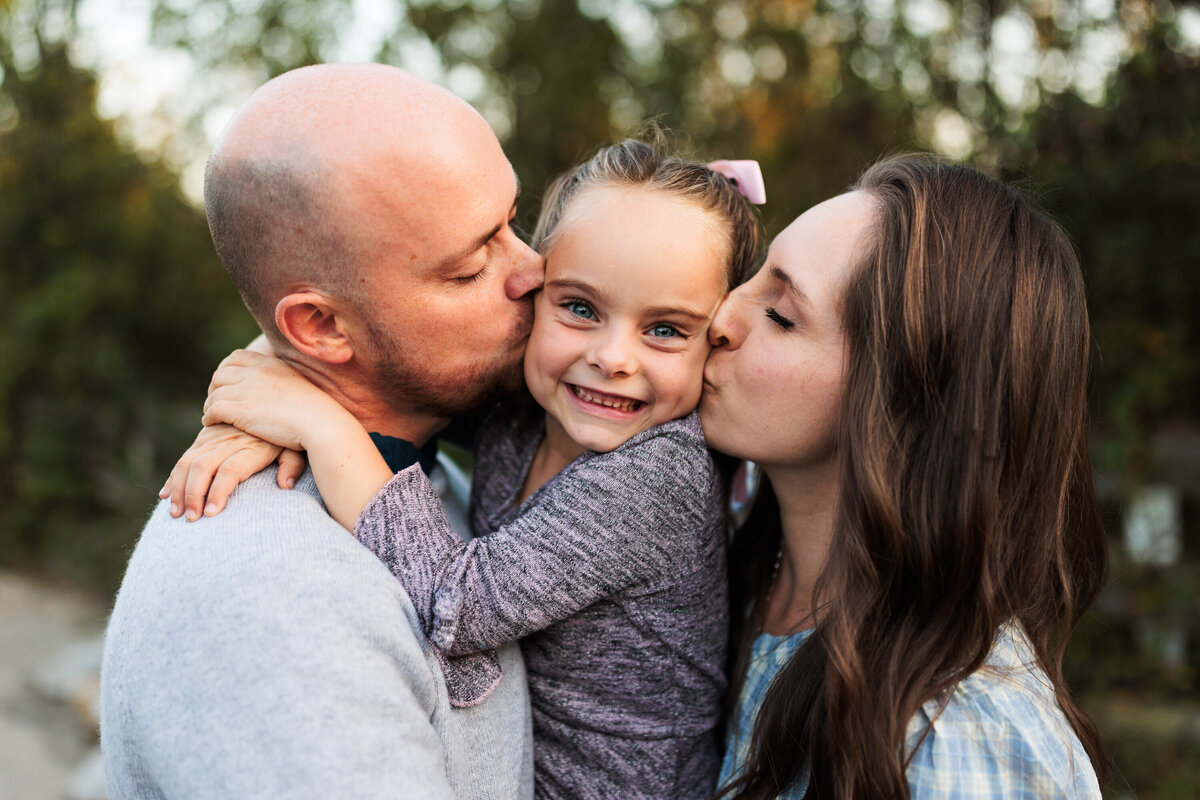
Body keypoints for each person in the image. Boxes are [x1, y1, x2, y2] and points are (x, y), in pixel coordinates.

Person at [172, 140, 764, 799]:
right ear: (536, 291)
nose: (613, 356)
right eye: (580, 308)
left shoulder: (656, 479)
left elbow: (458, 604)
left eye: (665, 330)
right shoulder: (533, 406)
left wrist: (317, 423)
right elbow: (393, 367)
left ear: (716, 340)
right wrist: (275, 374)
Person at [99, 63, 543, 798]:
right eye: (470, 269)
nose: (533, 269)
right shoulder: (271, 596)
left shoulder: (442, 472)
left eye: (512, 220)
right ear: (320, 327)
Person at [704, 154, 1109, 798]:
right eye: (751, 278)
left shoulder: (950, 738)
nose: (719, 316)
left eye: (780, 315)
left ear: (906, 400)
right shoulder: (732, 544)